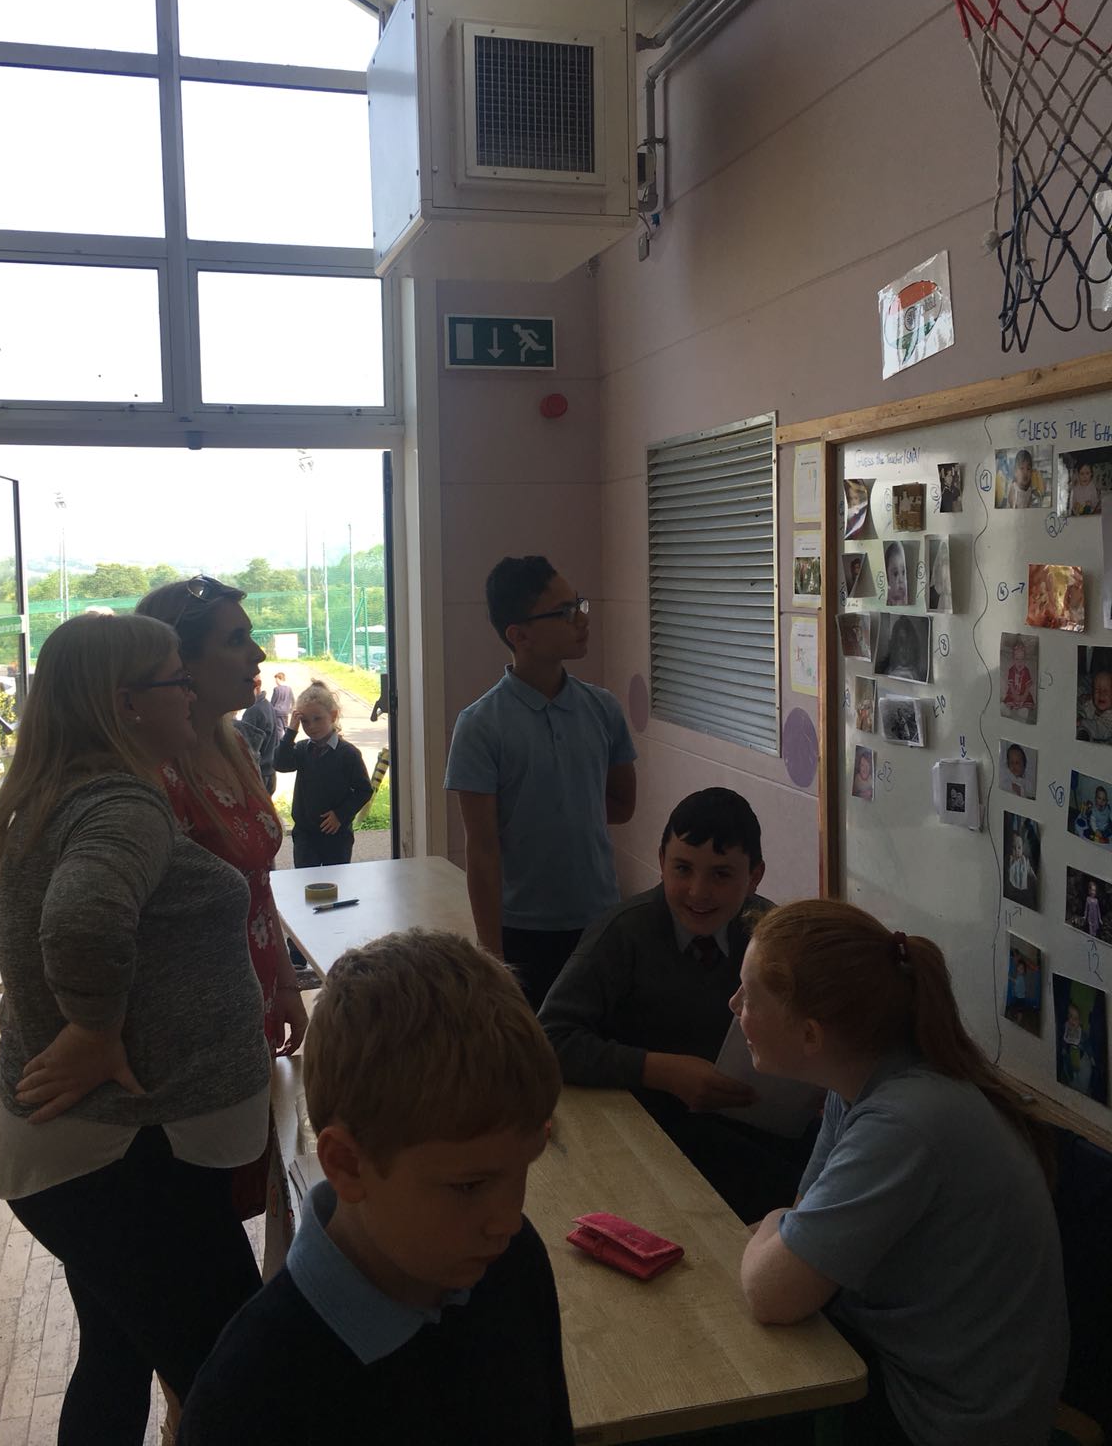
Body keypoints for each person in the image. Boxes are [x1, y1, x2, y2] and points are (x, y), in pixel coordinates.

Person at [0, 614, 271, 1446]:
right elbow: (82, 919)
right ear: (126, 703)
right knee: (242, 1388)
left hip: (111, 1152)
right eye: (177, 679)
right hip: (127, 1156)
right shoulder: (121, 803)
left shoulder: (68, 794)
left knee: (115, 1354)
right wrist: (93, 1030)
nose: (191, 694)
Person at [177, 932, 574, 1445]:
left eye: (525, 1165)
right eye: (470, 1185)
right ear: (347, 1165)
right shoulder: (246, 1401)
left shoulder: (514, 1263)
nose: (508, 1219)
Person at [735, 900, 1067, 1446]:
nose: (734, 1006)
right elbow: (801, 1227)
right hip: (907, 1369)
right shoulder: (861, 1080)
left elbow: (773, 1291)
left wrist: (773, 1223)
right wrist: (783, 1231)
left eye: (750, 997)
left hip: (945, 1421)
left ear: (812, 1035)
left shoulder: (902, 1123)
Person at [539, 789, 815, 1222]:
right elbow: (548, 1040)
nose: (698, 892)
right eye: (682, 869)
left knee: (815, 1180)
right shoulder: (622, 934)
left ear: (755, 876)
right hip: (650, 1124)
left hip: (756, 1121)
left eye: (722, 874)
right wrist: (662, 1071)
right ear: (661, 860)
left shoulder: (771, 936)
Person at [445, 556, 637, 1009]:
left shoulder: (603, 708)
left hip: (599, 921)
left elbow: (622, 805)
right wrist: (492, 958)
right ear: (519, 635)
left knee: (596, 1040)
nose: (582, 619)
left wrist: (565, 809)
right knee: (530, 1044)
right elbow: (482, 850)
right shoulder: (479, 724)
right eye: (565, 611)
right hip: (522, 931)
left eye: (579, 604)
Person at [136, 578, 306, 1057]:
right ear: (179, 664)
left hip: (257, 986)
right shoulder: (154, 775)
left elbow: (260, 887)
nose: (258, 654)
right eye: (236, 640)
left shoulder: (239, 748)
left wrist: (286, 982)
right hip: (196, 1016)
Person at [275, 682, 373, 868]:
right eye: (305, 721)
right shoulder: (302, 750)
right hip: (305, 834)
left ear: (333, 716)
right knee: (306, 880)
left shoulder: (348, 753)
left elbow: (363, 790)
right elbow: (280, 764)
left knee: (336, 879)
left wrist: (340, 814)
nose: (311, 726)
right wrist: (291, 732)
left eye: (317, 719)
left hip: (337, 835)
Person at [238, 672, 283, 793]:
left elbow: (245, 748)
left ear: (257, 685)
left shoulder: (253, 711)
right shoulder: (267, 704)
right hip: (270, 773)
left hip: (260, 775)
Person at [1002, 637, 1035, 719]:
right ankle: (1007, 709)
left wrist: (1023, 697)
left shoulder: (1026, 670)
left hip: (1024, 694)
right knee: (1008, 700)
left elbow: (1028, 686)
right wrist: (1015, 696)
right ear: (1013, 660)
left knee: (1027, 703)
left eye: (1022, 659)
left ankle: (1023, 710)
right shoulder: (1011, 670)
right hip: (1013, 693)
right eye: (1017, 659)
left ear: (1025, 660)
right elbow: (1011, 686)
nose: (1020, 662)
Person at [1077, 666, 1112, 742]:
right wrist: (1082, 699)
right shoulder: (1091, 703)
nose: (1101, 694)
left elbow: (1101, 730)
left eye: (1106, 691)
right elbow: (1082, 706)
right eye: (1096, 690)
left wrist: (1082, 722)